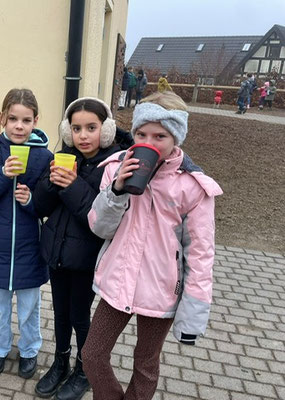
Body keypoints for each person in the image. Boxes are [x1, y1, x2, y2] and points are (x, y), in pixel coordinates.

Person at [82, 91, 222, 400]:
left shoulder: (192, 186)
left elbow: (200, 254)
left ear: (176, 138)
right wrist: (117, 190)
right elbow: (99, 227)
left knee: (145, 364)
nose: (150, 142)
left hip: (162, 290)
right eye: (142, 134)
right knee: (92, 355)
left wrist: (194, 311)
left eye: (160, 136)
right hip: (118, 282)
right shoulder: (115, 168)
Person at [33, 97, 132, 400]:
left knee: (79, 315)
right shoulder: (63, 157)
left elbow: (98, 217)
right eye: (76, 128)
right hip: (57, 254)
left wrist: (72, 184)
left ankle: (83, 370)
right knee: (60, 314)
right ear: (68, 131)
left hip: (87, 259)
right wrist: (51, 183)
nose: (83, 135)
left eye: (91, 127)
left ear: (106, 130)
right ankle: (60, 362)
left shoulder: (112, 166)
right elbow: (40, 207)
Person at [0, 88, 52, 379]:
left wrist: (31, 201)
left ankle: (29, 350)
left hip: (31, 249)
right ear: (2, 118)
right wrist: (2, 174)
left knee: (29, 307)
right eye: (13, 119)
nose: (19, 126)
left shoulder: (45, 157)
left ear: (35, 121)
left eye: (26, 120)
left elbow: (49, 203)